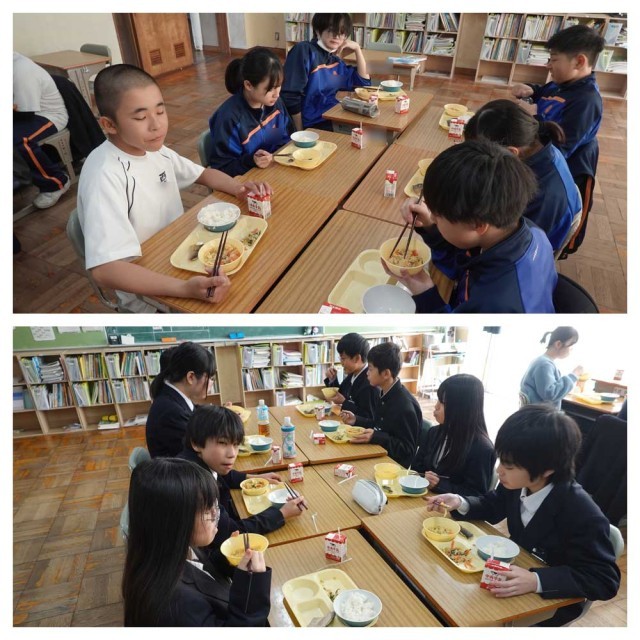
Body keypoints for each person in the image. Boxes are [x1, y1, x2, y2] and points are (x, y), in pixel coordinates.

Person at [77, 64, 271, 312]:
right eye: (141, 117)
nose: (156, 125)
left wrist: (240, 188)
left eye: (160, 111)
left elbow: (203, 174)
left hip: (183, 253)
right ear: (109, 124)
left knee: (260, 272)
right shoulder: (104, 174)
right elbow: (105, 270)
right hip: (151, 293)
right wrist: (184, 289)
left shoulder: (153, 149)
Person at [425, 405, 620, 626]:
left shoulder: (582, 513)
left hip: (548, 604)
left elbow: (605, 579)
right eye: (501, 460)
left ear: (547, 469)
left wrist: (537, 580)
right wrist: (461, 501)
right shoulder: (520, 482)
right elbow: (494, 505)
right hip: (510, 574)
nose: (499, 471)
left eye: (509, 466)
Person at [391, 140, 557, 313]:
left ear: (478, 224)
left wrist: (425, 293)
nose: (432, 217)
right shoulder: (530, 230)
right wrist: (431, 227)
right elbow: (464, 254)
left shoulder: (493, 305)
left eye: (437, 216)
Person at [122, 457, 271, 626]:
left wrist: (227, 559)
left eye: (215, 505)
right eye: (207, 510)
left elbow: (201, 572)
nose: (216, 514)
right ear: (175, 521)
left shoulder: (172, 547)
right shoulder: (176, 607)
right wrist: (253, 588)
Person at [511, 25, 605, 257]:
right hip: (541, 156)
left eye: (554, 59)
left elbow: (563, 146)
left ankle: (548, 249)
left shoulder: (587, 100)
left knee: (553, 212)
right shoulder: (560, 84)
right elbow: (545, 93)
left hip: (567, 168)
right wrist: (531, 89)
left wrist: (535, 116)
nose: (548, 65)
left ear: (579, 61)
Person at [177, 405, 307, 566]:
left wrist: (254, 477)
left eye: (236, 444)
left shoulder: (195, 462)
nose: (232, 453)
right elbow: (232, 531)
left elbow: (225, 474)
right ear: (196, 443)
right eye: (223, 443)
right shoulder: (197, 485)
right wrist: (282, 513)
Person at [464, 99, 581, 253]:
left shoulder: (541, 195)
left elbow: (510, 249)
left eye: (479, 153)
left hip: (520, 252)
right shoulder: (538, 147)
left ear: (511, 152)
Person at [208, 47, 293, 176]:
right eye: (270, 89)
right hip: (247, 180)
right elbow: (221, 168)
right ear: (248, 85)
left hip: (275, 172)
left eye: (279, 86)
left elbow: (287, 138)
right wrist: (251, 161)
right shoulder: (229, 118)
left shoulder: (275, 103)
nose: (277, 94)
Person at [281, 13, 371, 130]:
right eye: (331, 30)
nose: (336, 36)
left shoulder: (334, 60)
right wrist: (300, 131)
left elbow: (363, 83)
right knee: (366, 133)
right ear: (318, 30)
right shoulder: (304, 51)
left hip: (332, 115)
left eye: (341, 32)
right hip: (313, 123)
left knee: (371, 128)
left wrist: (357, 49)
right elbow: (290, 96)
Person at [413, 374, 496, 497]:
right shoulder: (434, 432)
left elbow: (476, 494)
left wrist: (439, 485)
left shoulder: (481, 448)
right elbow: (416, 467)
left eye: (443, 402)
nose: (436, 406)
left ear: (461, 408)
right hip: (423, 498)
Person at [340, 341, 421, 468]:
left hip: (391, 466)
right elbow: (378, 425)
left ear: (386, 374)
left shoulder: (405, 406)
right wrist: (356, 420)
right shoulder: (384, 392)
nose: (367, 373)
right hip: (378, 453)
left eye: (370, 369)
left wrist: (376, 437)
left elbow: (407, 450)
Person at [13, 52, 71, 209]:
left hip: (47, 116)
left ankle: (56, 183)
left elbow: (24, 114)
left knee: (18, 140)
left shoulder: (21, 70)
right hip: (23, 114)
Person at [146, 342, 214, 457]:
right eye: (210, 378)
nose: (211, 383)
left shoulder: (172, 393)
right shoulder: (171, 411)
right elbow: (199, 452)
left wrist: (219, 415)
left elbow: (193, 410)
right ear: (191, 377)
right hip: (180, 467)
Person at [520, 327, 583, 408]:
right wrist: (574, 375)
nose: (571, 350)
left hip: (535, 412)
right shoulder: (544, 365)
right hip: (540, 414)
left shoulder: (542, 361)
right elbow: (550, 394)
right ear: (558, 344)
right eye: (571, 346)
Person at [324, 332, 379, 419]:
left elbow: (368, 417)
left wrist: (344, 402)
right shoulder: (353, 374)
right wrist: (333, 379)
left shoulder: (370, 384)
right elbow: (341, 394)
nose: (341, 363)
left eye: (343, 358)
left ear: (357, 358)